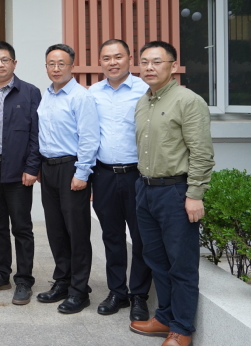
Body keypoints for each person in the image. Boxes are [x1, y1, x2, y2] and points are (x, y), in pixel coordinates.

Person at [130, 41, 214, 346]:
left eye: (157, 61)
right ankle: (164, 317)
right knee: (155, 259)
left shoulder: (188, 101)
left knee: (181, 263)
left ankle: (181, 329)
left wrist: (195, 194)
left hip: (176, 191)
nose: (149, 67)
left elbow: (201, 152)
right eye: (144, 62)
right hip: (145, 189)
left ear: (173, 66)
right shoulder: (143, 101)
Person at [0, 41, 42, 306]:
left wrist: (32, 167)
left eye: (5, 60)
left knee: (22, 227)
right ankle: (1, 274)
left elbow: (37, 133)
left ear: (14, 63)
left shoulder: (30, 92)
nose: (0, 64)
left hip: (18, 170)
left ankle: (24, 280)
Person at [89, 39, 152, 320]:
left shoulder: (145, 90)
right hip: (103, 174)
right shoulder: (93, 93)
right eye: (106, 58)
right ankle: (117, 292)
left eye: (118, 57)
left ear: (129, 59)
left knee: (141, 237)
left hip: (137, 175)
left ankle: (139, 295)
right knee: (111, 236)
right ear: (100, 62)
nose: (112, 62)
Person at [36, 43, 100, 314]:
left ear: (72, 66)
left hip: (72, 168)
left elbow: (89, 137)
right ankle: (62, 281)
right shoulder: (47, 95)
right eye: (51, 63)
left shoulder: (81, 96)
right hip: (48, 169)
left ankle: (79, 290)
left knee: (77, 231)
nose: (56, 68)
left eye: (61, 63)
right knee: (56, 229)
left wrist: (82, 173)